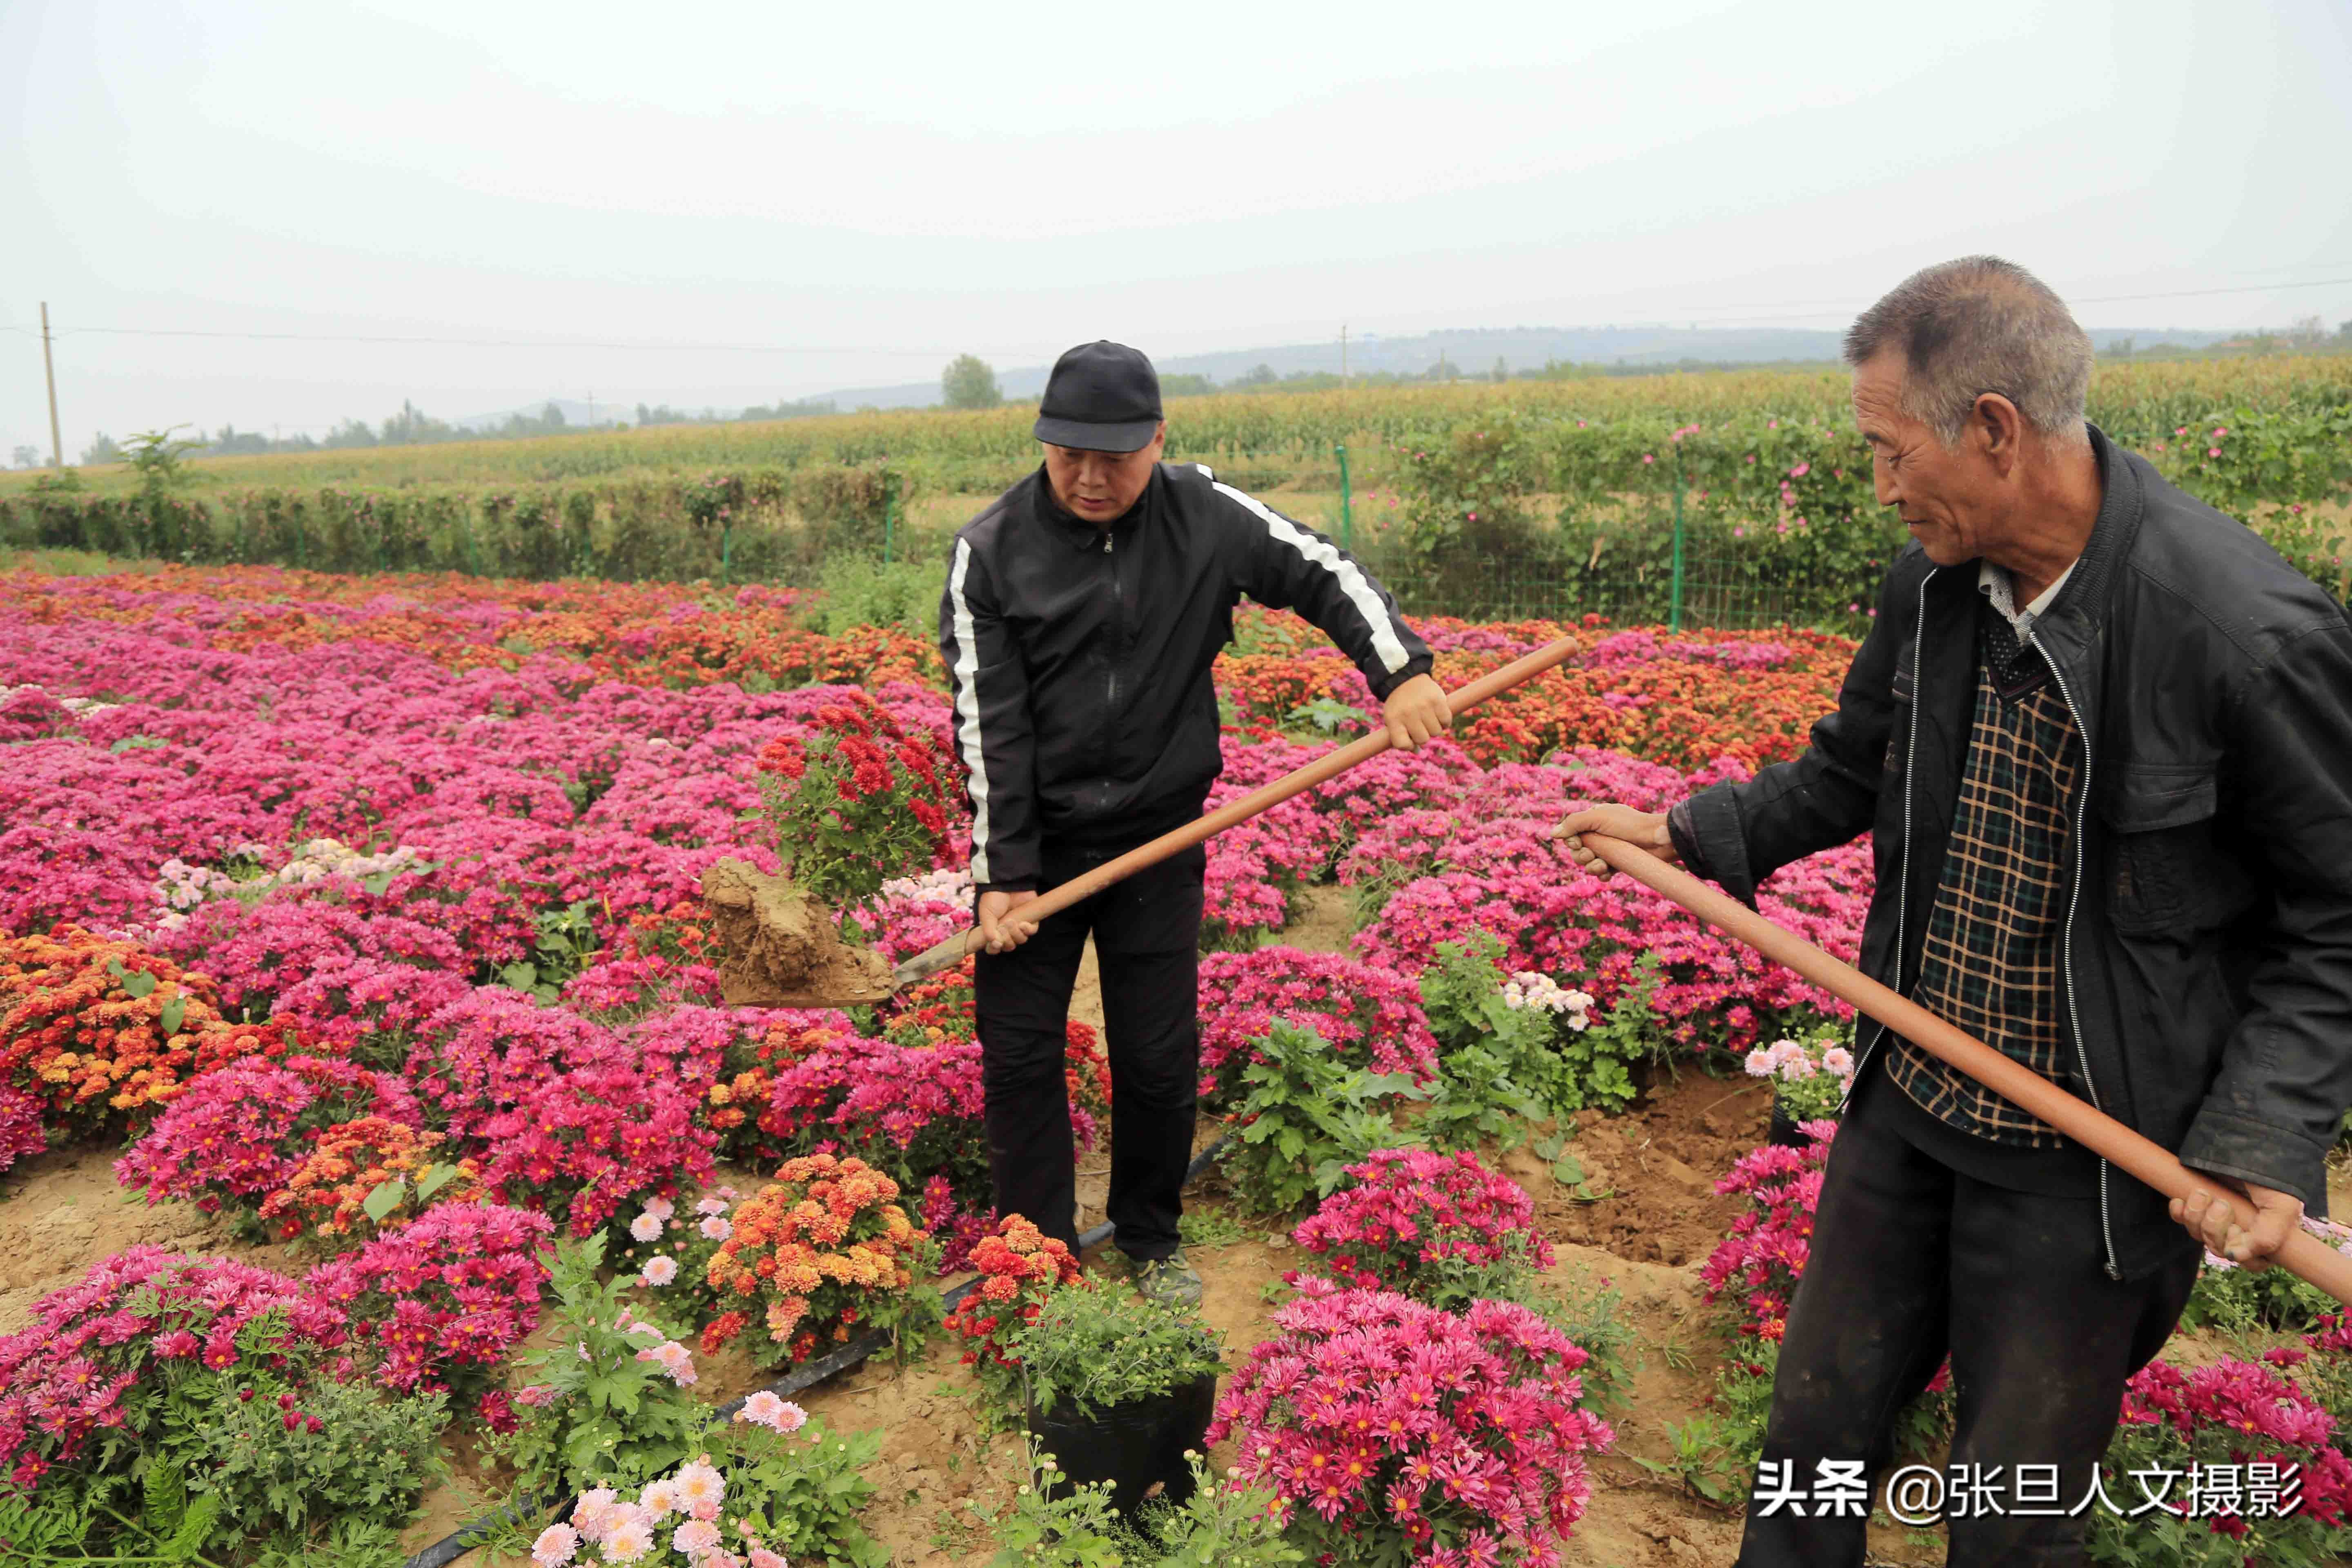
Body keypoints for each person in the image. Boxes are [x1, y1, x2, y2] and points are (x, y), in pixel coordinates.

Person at [1560, 256, 2352, 1565]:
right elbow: (1851, 765)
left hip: (2090, 1160)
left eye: (1887, 451)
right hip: (1912, 1107)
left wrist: (2260, 1135)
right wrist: (1698, 830)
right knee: (1811, 1451)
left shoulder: (2240, 632)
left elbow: (2338, 912)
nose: (1878, 487)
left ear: (1993, 429)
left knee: (2008, 1518)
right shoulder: (1933, 588)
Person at [939, 339, 1450, 1305]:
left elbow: (1322, 570)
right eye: (1068, 455)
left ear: (1158, 439)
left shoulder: (1204, 516)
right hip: (1034, 851)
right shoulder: (993, 550)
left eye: (1116, 457)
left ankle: (1149, 1236)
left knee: (1157, 1051)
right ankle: (1035, 1256)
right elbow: (986, 724)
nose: (1090, 478)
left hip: (1158, 838)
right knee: (1017, 1056)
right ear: (1041, 442)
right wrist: (1005, 872)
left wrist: (1401, 670)